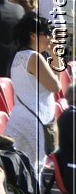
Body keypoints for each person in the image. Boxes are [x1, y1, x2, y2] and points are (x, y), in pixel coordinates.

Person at [6, 14, 61, 164]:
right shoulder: (34, 58)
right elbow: (56, 86)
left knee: (21, 169)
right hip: (34, 122)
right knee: (33, 170)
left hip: (24, 118)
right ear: (33, 36)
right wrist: (55, 57)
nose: (50, 38)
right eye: (47, 33)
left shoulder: (20, 55)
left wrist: (53, 56)